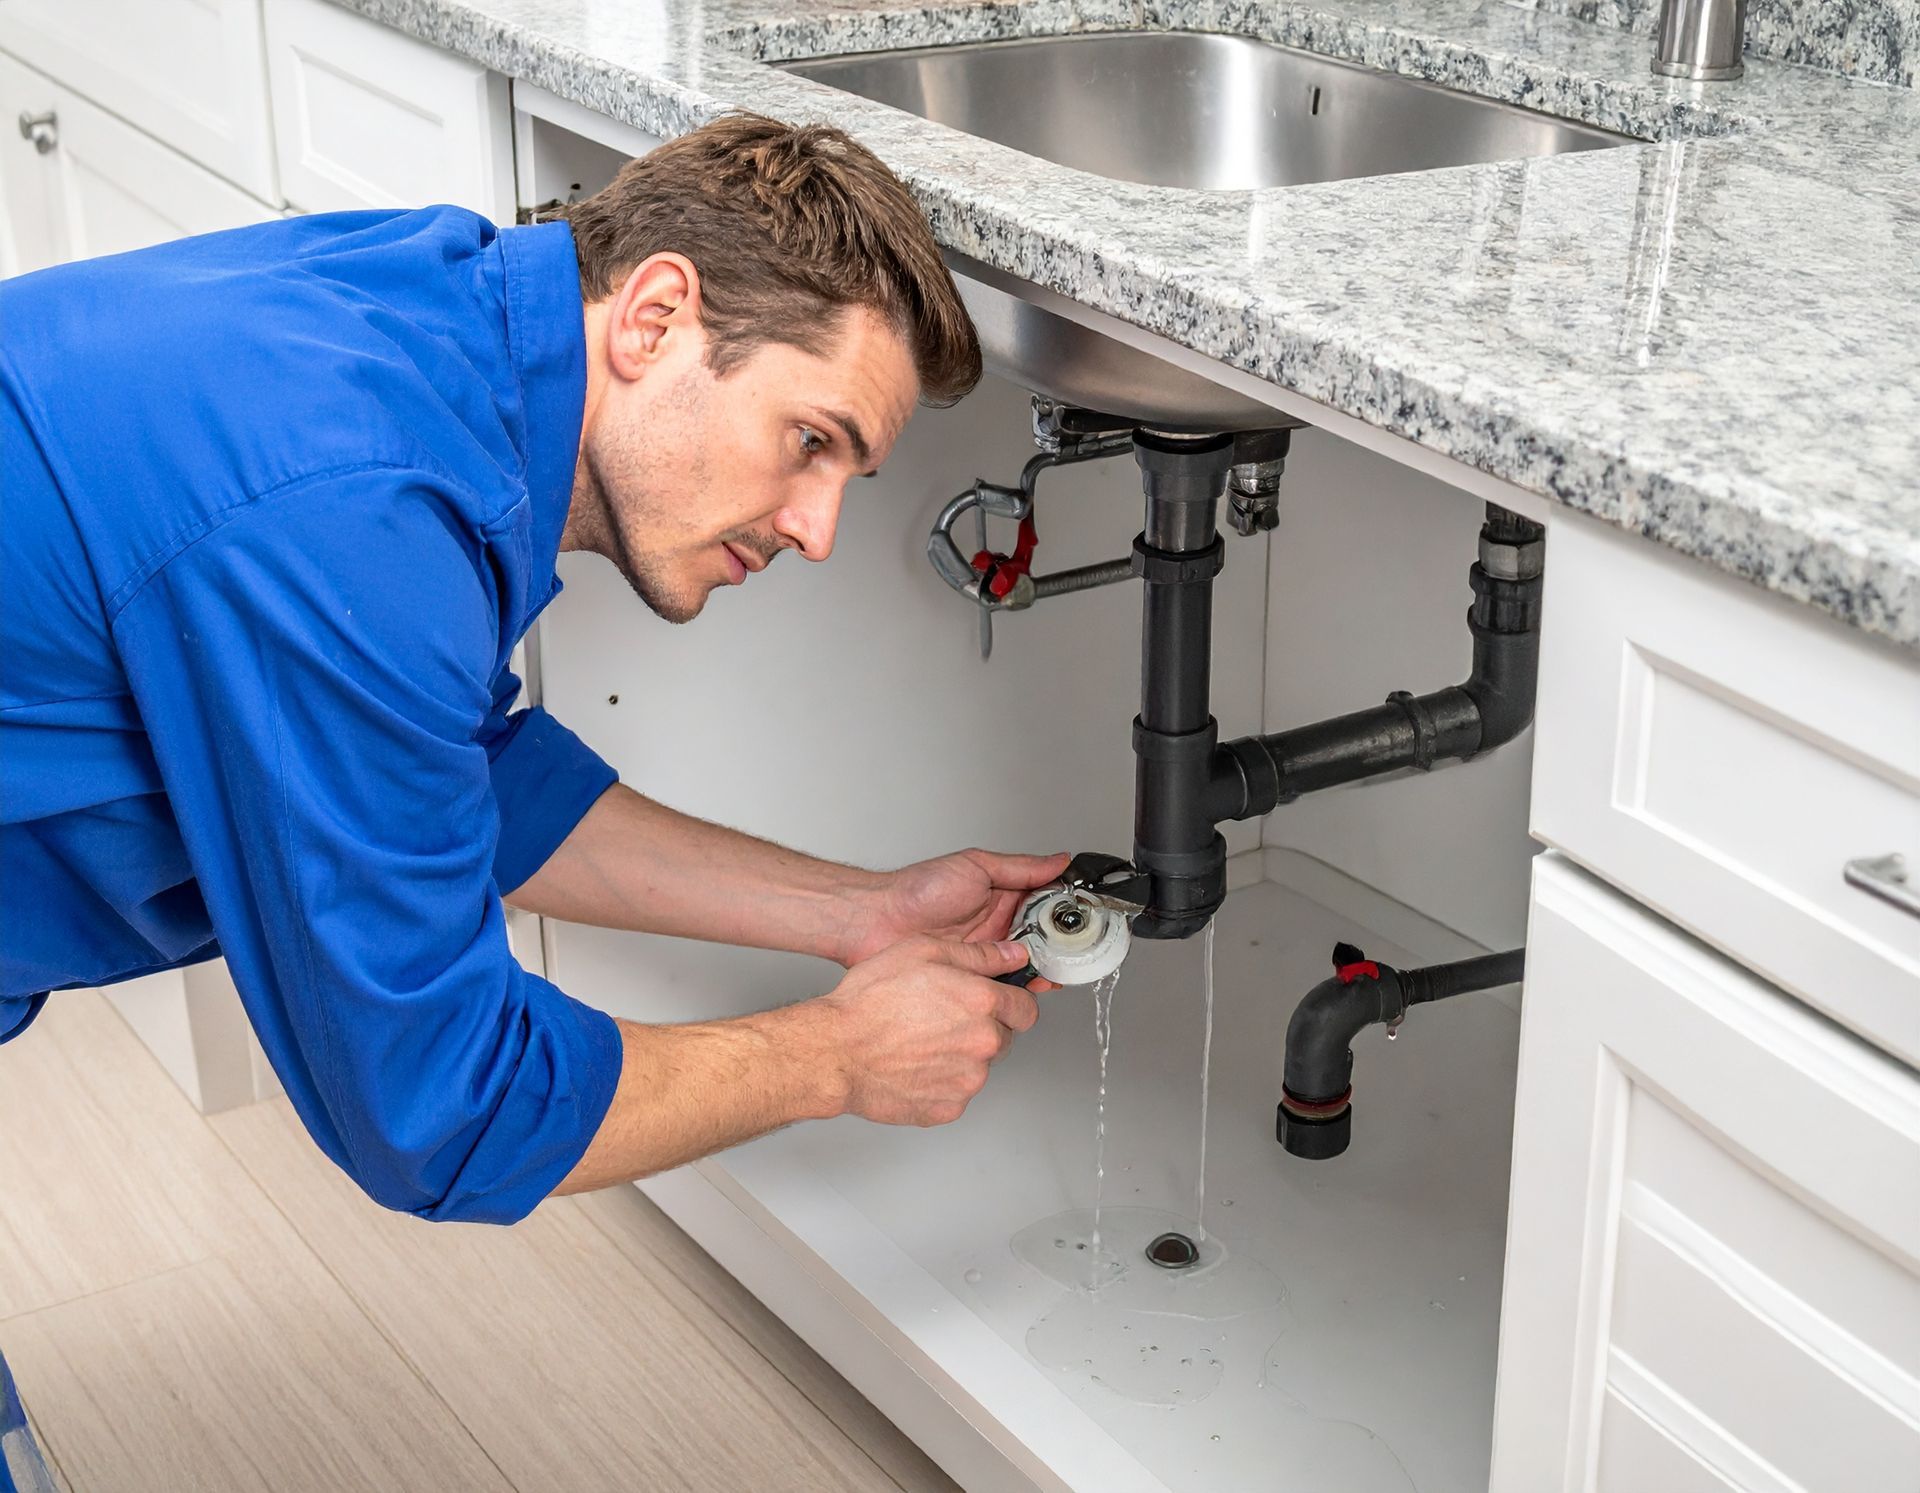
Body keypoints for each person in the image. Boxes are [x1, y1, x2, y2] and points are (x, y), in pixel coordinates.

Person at [0, 112, 1067, 1238]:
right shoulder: (355, 510)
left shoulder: (447, 320)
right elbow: (443, 1106)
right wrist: (840, 1052)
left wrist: (863, 913)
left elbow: (447, 763)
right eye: (811, 440)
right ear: (655, 318)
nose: (818, 530)